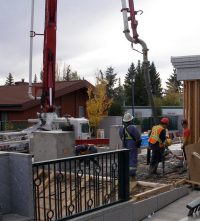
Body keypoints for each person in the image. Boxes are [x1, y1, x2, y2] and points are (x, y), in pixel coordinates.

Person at [119, 113, 141, 181]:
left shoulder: (121, 129)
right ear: (130, 120)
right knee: (132, 160)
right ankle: (132, 175)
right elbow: (138, 137)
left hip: (124, 146)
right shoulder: (132, 128)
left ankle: (125, 173)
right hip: (132, 146)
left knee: (126, 160)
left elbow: (121, 137)